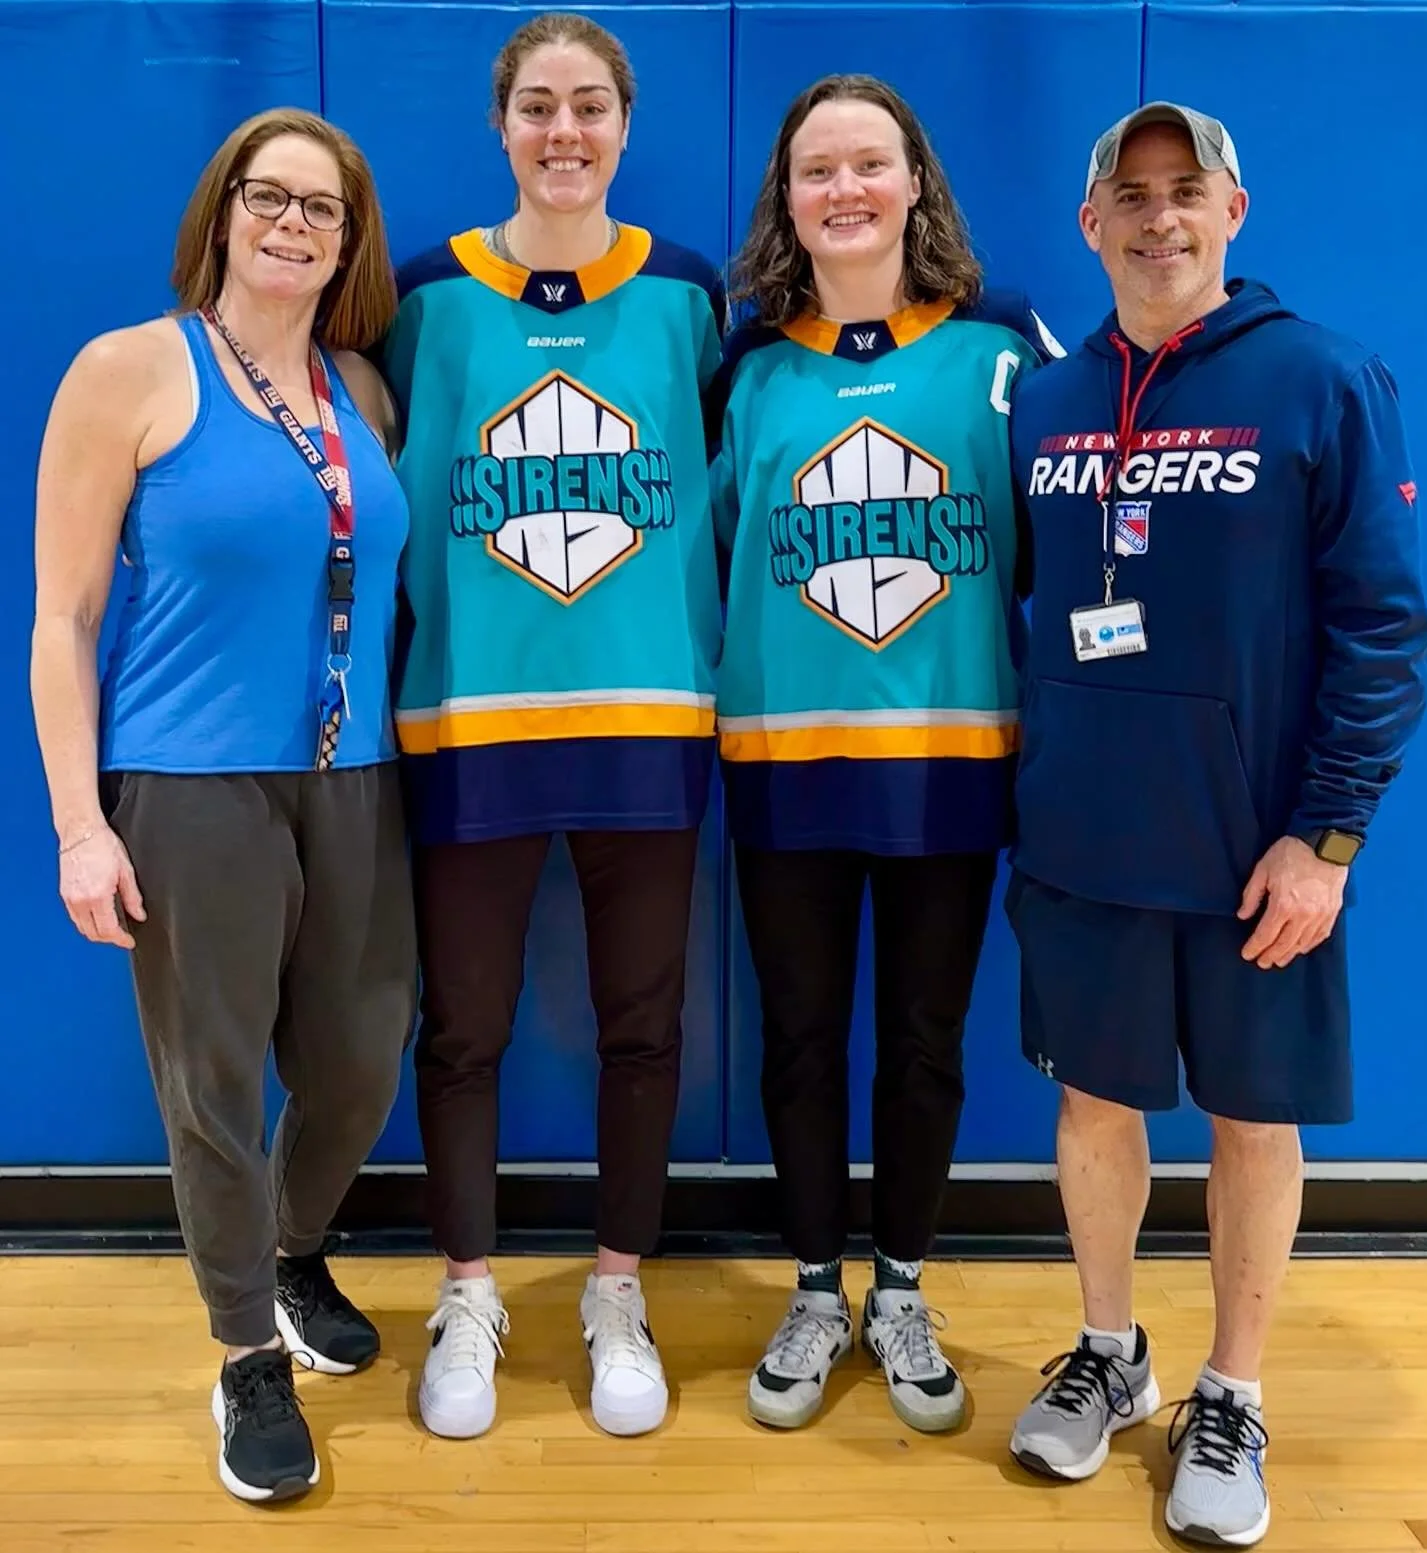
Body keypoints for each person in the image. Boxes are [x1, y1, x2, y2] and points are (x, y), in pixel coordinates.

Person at [1004, 102, 1427, 1545]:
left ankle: (1231, 1390)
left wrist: (1330, 839)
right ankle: (1112, 1352)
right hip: (1083, 840)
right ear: (1091, 223)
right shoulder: (1047, 401)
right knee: (1094, 1107)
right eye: (1131, 194)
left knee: (1253, 1123)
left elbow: (1385, 627)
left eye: (1188, 192)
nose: (1159, 217)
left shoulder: (1322, 378)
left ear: (1234, 211)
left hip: (1258, 849)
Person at [29, 108, 415, 1504]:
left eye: (324, 209)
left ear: (348, 242)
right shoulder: (131, 370)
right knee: (212, 1083)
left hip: (358, 776)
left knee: (364, 1056)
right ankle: (247, 1349)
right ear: (225, 210)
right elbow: (63, 619)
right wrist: (82, 821)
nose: (294, 225)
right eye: (272, 197)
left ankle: (294, 1247)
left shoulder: (363, 394)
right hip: (189, 783)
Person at [381, 11, 725, 1441]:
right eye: (538, 107)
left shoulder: (691, 298)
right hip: (470, 720)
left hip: (648, 722)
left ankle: (616, 1289)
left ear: (627, 126)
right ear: (500, 125)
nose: (564, 131)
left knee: (643, 1024)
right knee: (462, 1028)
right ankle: (469, 1291)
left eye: (591, 106)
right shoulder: (422, 299)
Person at [711, 73, 1060, 1434]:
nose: (845, 190)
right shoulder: (745, 364)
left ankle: (902, 1284)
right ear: (785, 201)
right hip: (787, 761)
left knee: (922, 1039)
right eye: (817, 170)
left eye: (871, 164)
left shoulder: (999, 346)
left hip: (952, 758)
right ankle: (813, 1285)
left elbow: (1049, 547)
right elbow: (717, 552)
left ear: (917, 181)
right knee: (799, 1039)